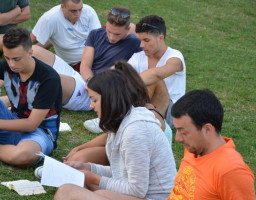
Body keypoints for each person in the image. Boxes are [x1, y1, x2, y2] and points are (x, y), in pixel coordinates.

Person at [54, 69, 176, 200]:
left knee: (69, 191)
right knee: (72, 183)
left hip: (155, 197)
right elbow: (121, 173)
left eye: (94, 100)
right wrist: (87, 167)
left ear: (109, 99)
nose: (91, 105)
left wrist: (94, 178)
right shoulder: (121, 122)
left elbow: (137, 190)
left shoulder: (135, 132)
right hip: (140, 193)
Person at [0, 27, 62, 168]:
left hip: (39, 133)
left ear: (30, 51)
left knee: (23, 156)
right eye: (7, 58)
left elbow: (31, 124)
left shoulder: (49, 78)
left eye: (17, 59)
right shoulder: (8, 65)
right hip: (11, 121)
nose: (11, 64)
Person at [61, 60, 172, 165]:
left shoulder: (146, 119)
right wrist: (79, 148)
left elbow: (138, 168)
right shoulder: (125, 111)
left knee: (80, 159)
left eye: (95, 100)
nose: (91, 105)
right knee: (77, 157)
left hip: (140, 160)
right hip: (124, 151)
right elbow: (110, 135)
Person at [167, 89, 256, 200]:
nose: (178, 138)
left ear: (207, 129)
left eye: (183, 132)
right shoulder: (193, 149)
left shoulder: (231, 171)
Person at [129, 15, 186, 128]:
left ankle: (124, 115)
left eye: (146, 40)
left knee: (154, 79)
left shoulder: (175, 57)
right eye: (140, 40)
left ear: (161, 38)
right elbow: (118, 74)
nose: (141, 45)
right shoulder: (137, 56)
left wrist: (126, 85)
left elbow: (157, 74)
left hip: (172, 113)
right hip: (147, 107)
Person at [31, 0, 101, 71]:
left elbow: (98, 39)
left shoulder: (89, 12)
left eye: (80, 9)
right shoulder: (50, 18)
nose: (78, 14)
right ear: (62, 7)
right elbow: (30, 41)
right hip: (74, 63)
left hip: (94, 57)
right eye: (73, 11)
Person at [80, 6, 141, 82]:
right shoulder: (95, 34)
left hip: (112, 86)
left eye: (117, 34)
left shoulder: (135, 43)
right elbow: (85, 65)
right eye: (109, 31)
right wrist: (90, 81)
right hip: (88, 80)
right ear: (106, 24)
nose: (112, 37)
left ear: (128, 29)